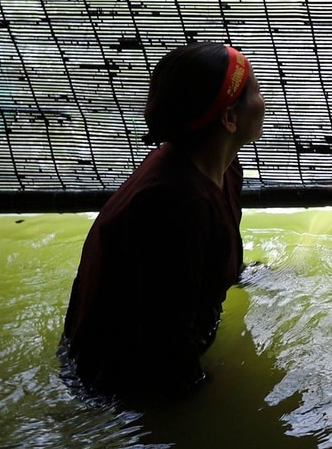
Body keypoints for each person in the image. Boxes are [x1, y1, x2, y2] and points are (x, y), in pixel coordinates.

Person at [60, 43, 264, 398]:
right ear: (229, 118)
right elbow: (164, 343)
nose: (266, 101)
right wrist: (204, 396)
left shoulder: (223, 169)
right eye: (257, 91)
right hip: (117, 387)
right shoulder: (176, 206)